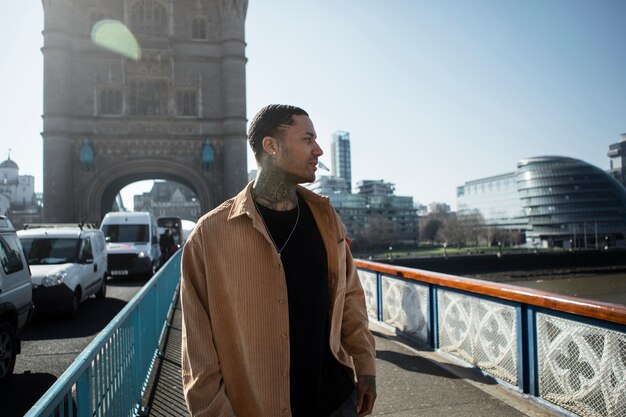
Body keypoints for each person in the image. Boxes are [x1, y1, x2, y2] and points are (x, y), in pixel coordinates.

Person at [180, 104, 377, 417]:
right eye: (307, 139)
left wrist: (365, 367)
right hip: (257, 407)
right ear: (270, 146)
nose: (319, 150)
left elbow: (350, 297)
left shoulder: (326, 218)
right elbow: (198, 349)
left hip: (336, 400)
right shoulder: (210, 236)